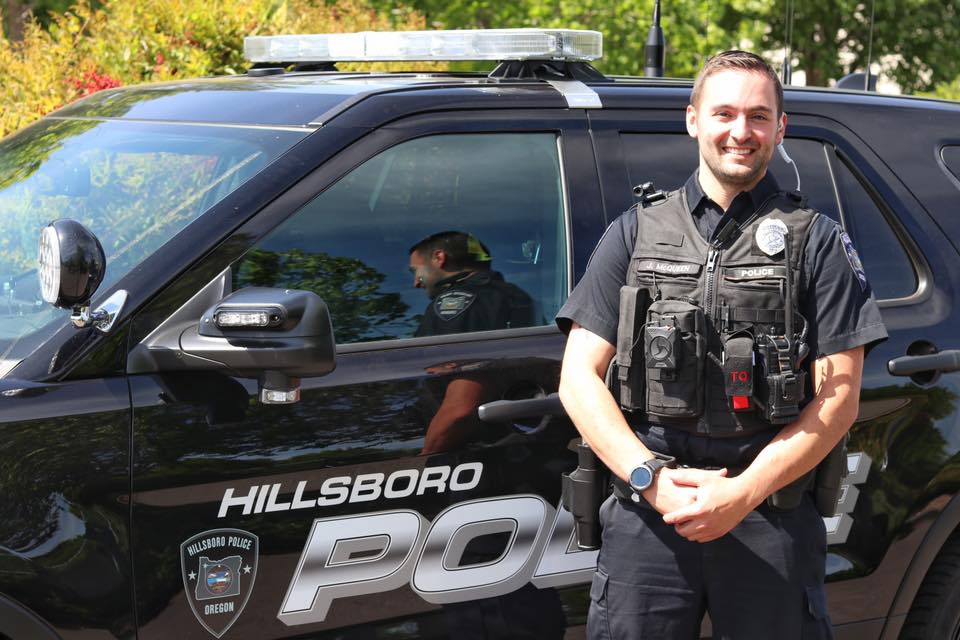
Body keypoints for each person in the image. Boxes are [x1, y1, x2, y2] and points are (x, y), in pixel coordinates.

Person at [556, 51, 888, 639]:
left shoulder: (817, 242)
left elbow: (839, 400)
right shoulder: (635, 232)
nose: (741, 131)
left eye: (759, 116)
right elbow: (578, 376)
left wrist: (741, 494)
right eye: (725, 113)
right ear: (693, 120)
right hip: (650, 510)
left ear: (781, 128)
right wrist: (648, 479)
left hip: (770, 512)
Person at [408, 231, 534, 454]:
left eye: (416, 271)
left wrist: (423, 463)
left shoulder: (457, 303)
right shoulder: (512, 295)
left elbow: (461, 406)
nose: (416, 282)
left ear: (439, 258)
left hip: (462, 454)